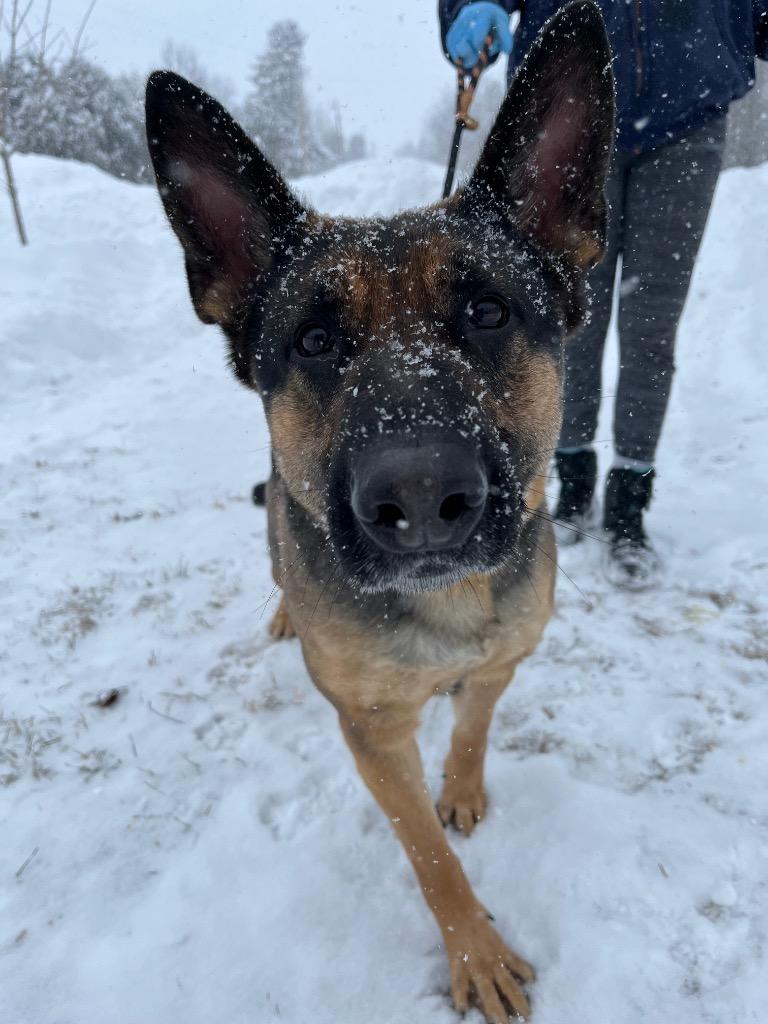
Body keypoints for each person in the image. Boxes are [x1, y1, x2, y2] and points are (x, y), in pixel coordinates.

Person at [439, 0, 768, 588]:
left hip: (689, 116)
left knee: (651, 328)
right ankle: (571, 482)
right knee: (572, 323)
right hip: (568, 112)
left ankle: (628, 506)